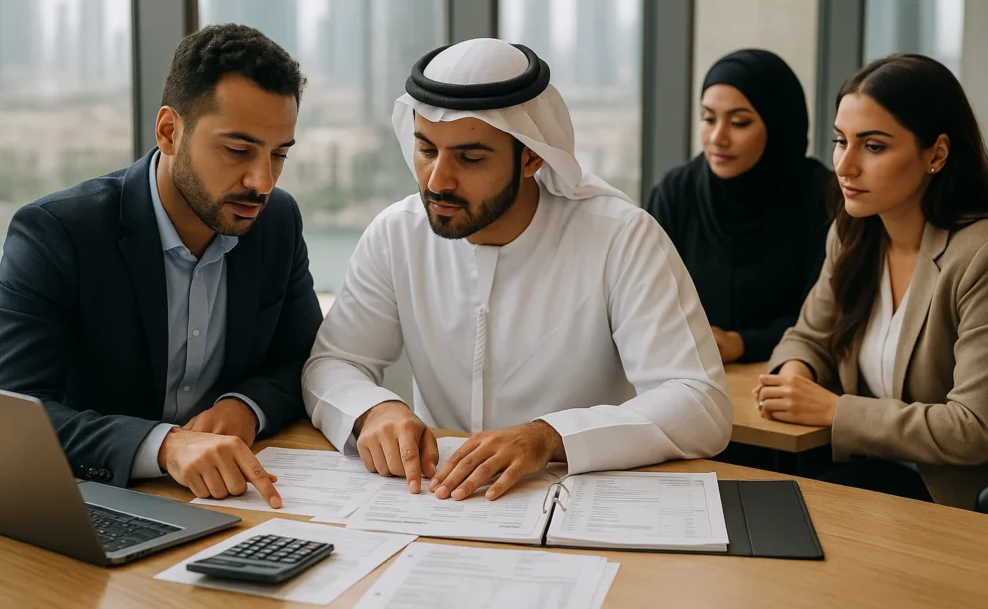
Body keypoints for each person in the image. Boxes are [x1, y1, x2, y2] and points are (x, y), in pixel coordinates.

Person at [303, 38, 732, 502]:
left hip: (576, 504)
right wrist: (375, 409)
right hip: (433, 505)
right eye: (426, 150)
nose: (437, 181)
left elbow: (701, 403)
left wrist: (549, 438)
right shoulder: (396, 234)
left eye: (470, 158)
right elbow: (334, 362)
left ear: (531, 157)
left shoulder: (620, 237)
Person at [0, 24, 323, 508]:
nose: (261, 182)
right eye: (238, 150)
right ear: (169, 132)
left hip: (225, 498)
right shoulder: (58, 233)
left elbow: (302, 360)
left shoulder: (277, 221)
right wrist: (165, 446)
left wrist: (245, 407)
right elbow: (11, 417)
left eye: (279, 154)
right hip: (91, 500)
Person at [755, 54, 988, 509]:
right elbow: (807, 336)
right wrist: (795, 376)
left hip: (945, 502)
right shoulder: (852, 233)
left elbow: (973, 427)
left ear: (936, 154)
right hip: (863, 475)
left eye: (874, 146)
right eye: (841, 141)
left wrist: (834, 411)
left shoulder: (977, 257)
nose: (844, 166)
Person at [648, 49, 833, 364]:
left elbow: (831, 319)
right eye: (708, 119)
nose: (717, 138)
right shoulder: (676, 192)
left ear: (778, 125)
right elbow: (646, 301)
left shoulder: (823, 199)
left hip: (791, 376)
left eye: (739, 122)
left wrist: (743, 343)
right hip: (686, 375)